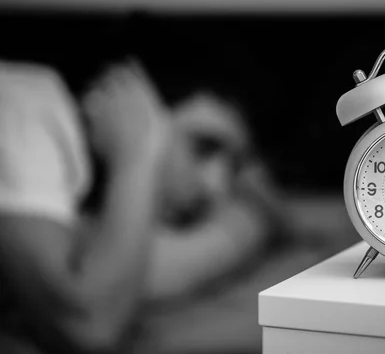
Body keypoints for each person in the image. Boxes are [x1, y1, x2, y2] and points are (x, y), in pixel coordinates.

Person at [0, 58, 283, 353]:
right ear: (130, 100)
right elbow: (89, 322)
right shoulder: (24, 104)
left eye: (233, 167)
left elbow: (127, 277)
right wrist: (136, 157)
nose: (215, 187)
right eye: (203, 147)